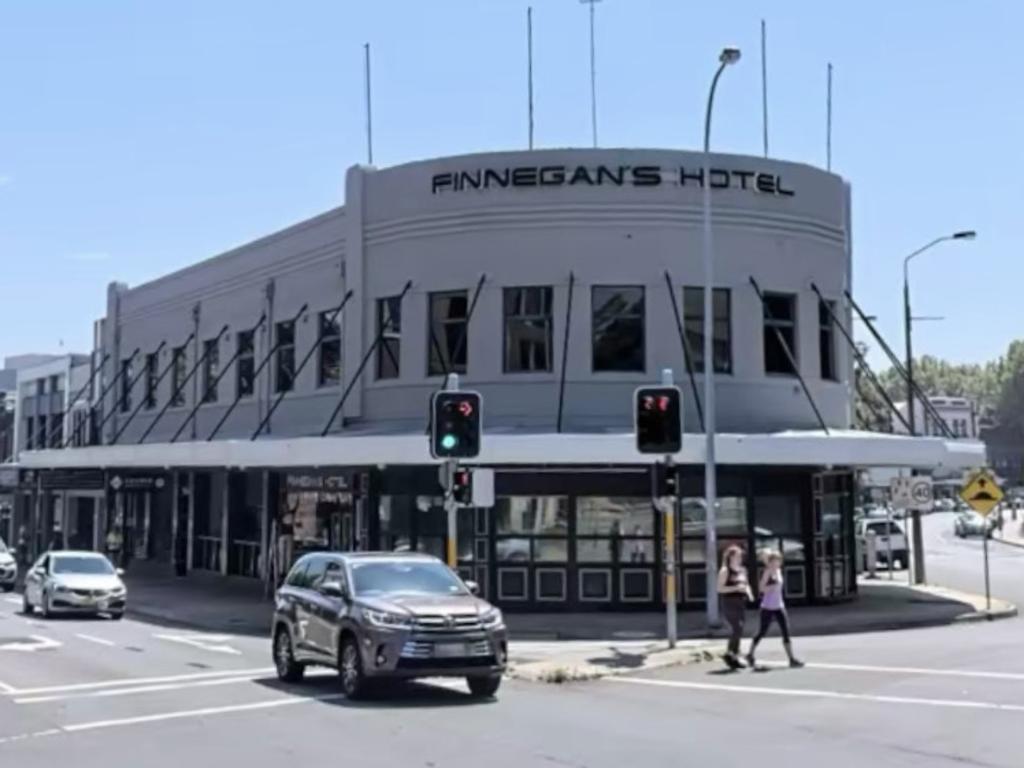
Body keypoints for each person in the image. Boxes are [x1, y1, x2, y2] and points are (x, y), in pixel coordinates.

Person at [747, 550, 803, 669]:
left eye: (777, 561)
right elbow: (761, 588)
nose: (775, 564)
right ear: (770, 562)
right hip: (767, 606)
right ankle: (750, 654)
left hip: (779, 606)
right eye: (773, 561)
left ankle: (791, 658)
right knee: (762, 631)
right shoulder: (767, 572)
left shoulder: (778, 571)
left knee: (786, 632)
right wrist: (771, 586)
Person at [717, 544, 752, 670]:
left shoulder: (742, 570)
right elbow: (720, 588)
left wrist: (749, 592)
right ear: (731, 557)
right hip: (729, 601)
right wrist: (735, 588)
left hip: (740, 601)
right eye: (737, 556)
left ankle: (733, 655)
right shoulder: (725, 570)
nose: (740, 558)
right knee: (736, 627)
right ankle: (730, 653)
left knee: (740, 628)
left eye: (740, 556)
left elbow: (746, 584)